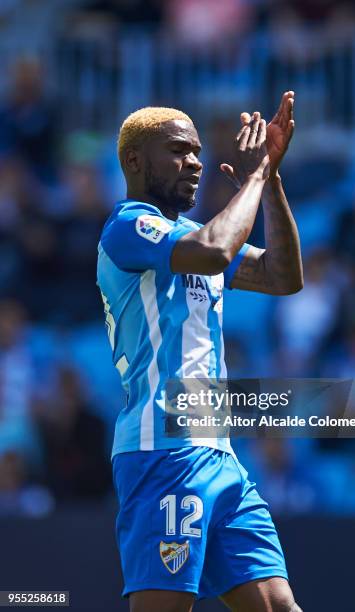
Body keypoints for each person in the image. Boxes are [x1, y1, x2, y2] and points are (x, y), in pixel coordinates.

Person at [97, 91, 303, 611]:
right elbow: (214, 254)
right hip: (161, 448)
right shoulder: (128, 227)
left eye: (196, 151)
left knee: (279, 605)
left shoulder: (190, 232)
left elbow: (283, 275)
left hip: (219, 452)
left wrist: (272, 178)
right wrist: (253, 177)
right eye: (177, 151)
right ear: (135, 161)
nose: (194, 162)